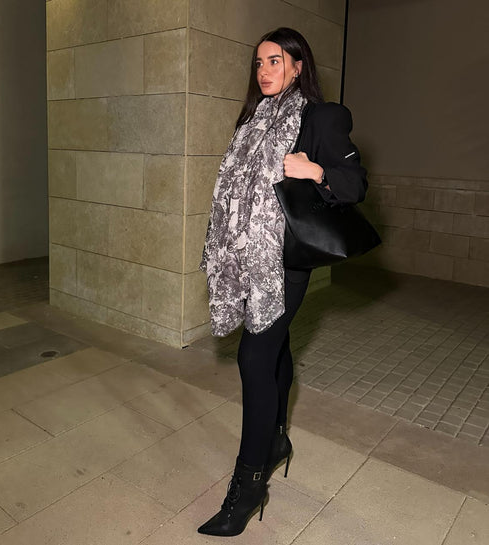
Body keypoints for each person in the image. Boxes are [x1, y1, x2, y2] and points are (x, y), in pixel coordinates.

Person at [198, 27, 368, 537]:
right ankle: (275, 440)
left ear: (298, 67)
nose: (265, 70)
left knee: (254, 356)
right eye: (259, 62)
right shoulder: (252, 120)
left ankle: (249, 484)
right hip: (245, 258)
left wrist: (315, 170)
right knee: (275, 346)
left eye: (276, 61)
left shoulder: (321, 117)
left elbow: (355, 183)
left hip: (283, 263)